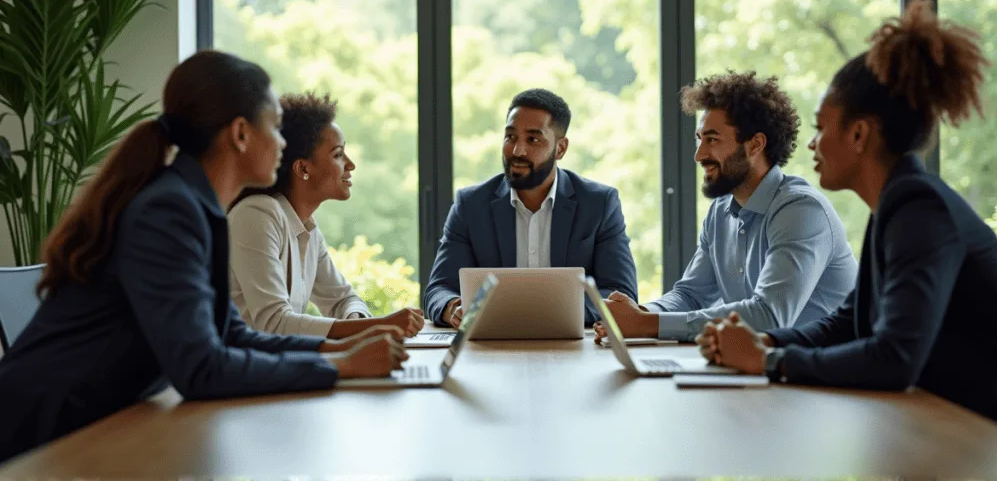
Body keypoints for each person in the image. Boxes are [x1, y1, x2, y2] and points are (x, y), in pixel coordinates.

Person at [0, 51, 407, 463]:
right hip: (39, 437)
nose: (284, 143)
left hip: (89, 424)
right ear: (241, 134)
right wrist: (341, 366)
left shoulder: (197, 207)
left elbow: (233, 335)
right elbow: (201, 370)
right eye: (276, 128)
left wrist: (339, 352)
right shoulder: (170, 211)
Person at [699, 0, 997, 432]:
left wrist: (768, 360)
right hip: (955, 425)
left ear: (858, 134)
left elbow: (895, 359)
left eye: (820, 127)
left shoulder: (919, 209)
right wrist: (765, 340)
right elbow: (846, 325)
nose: (811, 145)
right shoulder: (895, 205)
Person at [595, 71, 858, 342]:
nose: (699, 155)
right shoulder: (721, 211)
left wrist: (648, 324)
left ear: (755, 144)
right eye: (699, 139)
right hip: (762, 368)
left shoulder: (801, 210)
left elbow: (769, 316)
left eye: (712, 140)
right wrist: (637, 314)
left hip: (822, 375)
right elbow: (691, 295)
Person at [424, 88, 638, 327]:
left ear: (560, 148)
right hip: (490, 351)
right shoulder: (471, 205)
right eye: (510, 137)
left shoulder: (599, 204)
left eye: (533, 140)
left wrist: (547, 314)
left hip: (575, 349)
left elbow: (621, 294)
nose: (517, 150)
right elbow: (439, 290)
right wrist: (453, 308)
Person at [228, 92, 425, 339]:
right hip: (247, 373)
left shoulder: (307, 228)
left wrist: (359, 323)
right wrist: (376, 326)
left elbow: (344, 299)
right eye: (338, 154)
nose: (350, 164)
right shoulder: (256, 215)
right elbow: (273, 324)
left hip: (280, 368)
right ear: (303, 168)